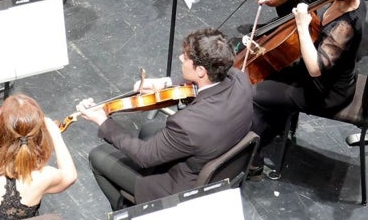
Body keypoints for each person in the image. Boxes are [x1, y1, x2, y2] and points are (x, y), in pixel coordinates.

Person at [77, 27, 253, 210]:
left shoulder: (187, 125)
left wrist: (103, 121)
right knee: (149, 128)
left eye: (185, 57)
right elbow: (204, 86)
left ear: (201, 70)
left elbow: (144, 156)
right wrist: (165, 84)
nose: (180, 58)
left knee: (98, 156)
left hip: (180, 186)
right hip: (217, 154)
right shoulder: (240, 79)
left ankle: (125, 212)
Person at [247, 0, 367, 174]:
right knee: (273, 73)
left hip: (324, 93)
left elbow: (315, 68)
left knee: (255, 95)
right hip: (329, 76)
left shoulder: (346, 27)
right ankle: (276, 122)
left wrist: (303, 25)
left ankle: (253, 161)